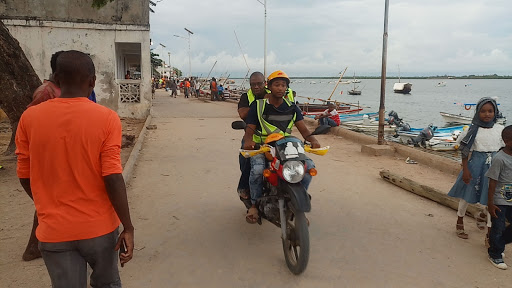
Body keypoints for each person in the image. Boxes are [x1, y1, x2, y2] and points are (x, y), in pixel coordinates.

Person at [15, 50, 134, 287]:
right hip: (99, 229)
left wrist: (46, 205)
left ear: (56, 79)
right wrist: (128, 226)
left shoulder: (29, 118)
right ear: (92, 81)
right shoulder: (107, 118)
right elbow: (112, 176)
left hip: (54, 232)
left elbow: (24, 175)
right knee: (107, 283)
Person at [242, 70, 321, 223]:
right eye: (276, 85)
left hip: (285, 147)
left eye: (283, 85)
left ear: (287, 88)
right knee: (258, 170)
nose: (280, 88)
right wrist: (248, 141)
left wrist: (313, 140)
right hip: (263, 146)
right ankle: (253, 204)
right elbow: (249, 130)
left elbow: (304, 130)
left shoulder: (292, 107)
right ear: (269, 87)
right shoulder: (258, 106)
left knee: (308, 168)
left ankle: (296, 201)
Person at [448, 97, 505, 239]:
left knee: (492, 198)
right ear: (477, 112)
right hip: (475, 166)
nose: (487, 114)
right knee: (466, 195)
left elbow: (505, 149)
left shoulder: (499, 129)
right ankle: (460, 219)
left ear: (495, 112)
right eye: (483, 111)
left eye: (490, 111)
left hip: (494, 168)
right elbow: (465, 150)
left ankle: (490, 232)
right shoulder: (473, 129)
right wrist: (465, 170)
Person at [236, 72, 268, 202]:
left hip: (273, 135)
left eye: (259, 84)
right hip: (252, 134)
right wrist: (259, 104)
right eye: (253, 84)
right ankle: (244, 187)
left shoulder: (273, 94)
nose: (256, 87)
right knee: (245, 158)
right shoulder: (246, 97)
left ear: (264, 83)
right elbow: (243, 114)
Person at [486, 125, 512, 269]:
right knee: (498, 227)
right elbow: (492, 182)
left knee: (503, 230)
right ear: (506, 141)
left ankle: (498, 245)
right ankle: (495, 254)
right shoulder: (499, 159)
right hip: (500, 200)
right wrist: (490, 203)